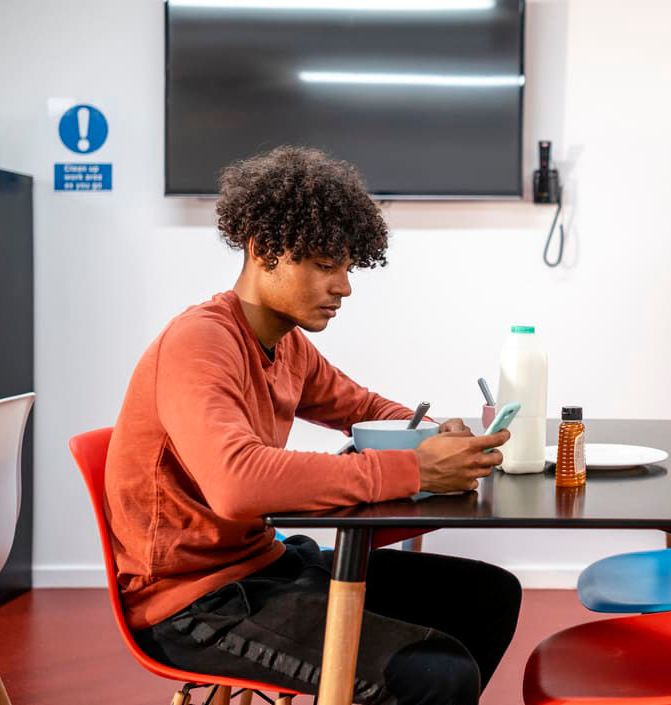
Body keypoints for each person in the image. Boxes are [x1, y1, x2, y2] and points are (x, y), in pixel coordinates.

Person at [105, 146, 521, 705]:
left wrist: (434, 435)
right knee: (438, 675)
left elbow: (366, 407)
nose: (345, 287)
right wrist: (412, 467)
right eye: (326, 266)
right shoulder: (200, 342)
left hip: (265, 565)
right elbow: (237, 484)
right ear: (264, 250)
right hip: (194, 605)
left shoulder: (287, 346)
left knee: (488, 595)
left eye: (348, 268)